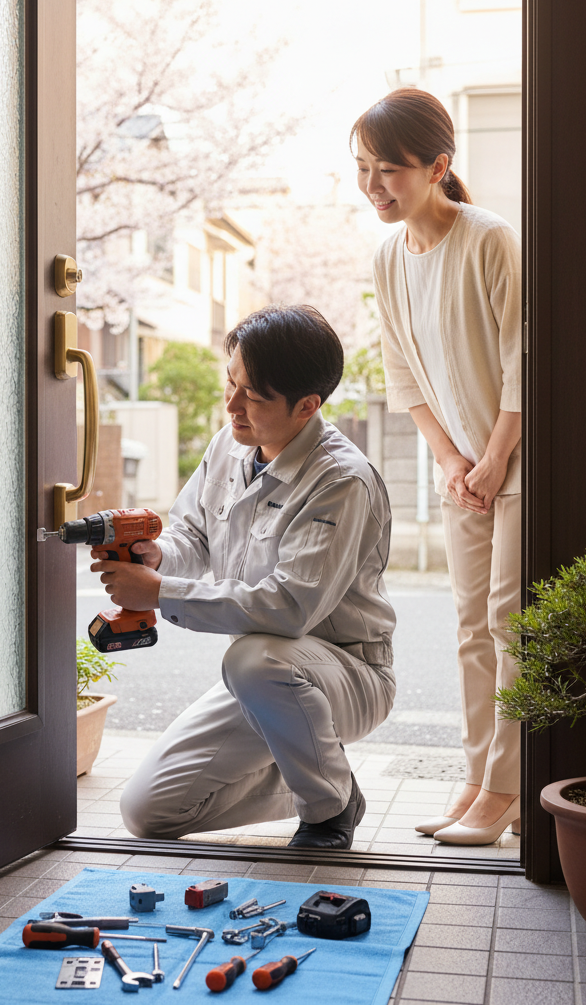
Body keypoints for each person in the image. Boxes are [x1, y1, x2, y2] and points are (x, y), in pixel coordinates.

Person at [90, 305, 396, 850]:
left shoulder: (342, 481)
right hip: (266, 681)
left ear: (307, 406)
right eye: (230, 382)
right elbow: (194, 536)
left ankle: (329, 807)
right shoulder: (231, 444)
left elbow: (288, 607)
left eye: (252, 395)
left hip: (345, 672)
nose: (232, 405)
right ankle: (320, 770)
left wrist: (158, 593)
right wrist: (157, 555)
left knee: (253, 657)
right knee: (147, 811)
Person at [353, 88, 522, 846]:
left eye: (387, 169)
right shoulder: (389, 257)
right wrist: (453, 460)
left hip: (517, 464)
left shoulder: (490, 239)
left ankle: (507, 789)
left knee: (509, 623)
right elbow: (403, 375)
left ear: (438, 166)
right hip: (464, 471)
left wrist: (493, 458)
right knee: (468, 626)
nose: (373, 185)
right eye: (362, 168)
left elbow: (525, 358)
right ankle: (479, 777)